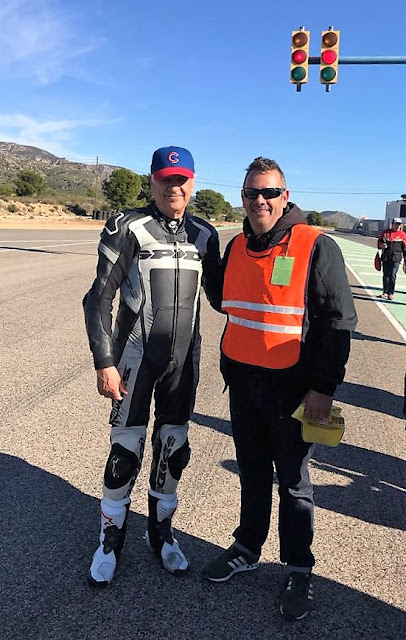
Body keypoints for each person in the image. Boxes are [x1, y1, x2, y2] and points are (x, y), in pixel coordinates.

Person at [203, 157, 358, 621]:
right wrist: (207, 256)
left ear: (285, 196)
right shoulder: (237, 245)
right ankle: (247, 547)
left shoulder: (315, 245)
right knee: (252, 472)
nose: (260, 201)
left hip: (293, 389)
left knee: (293, 484)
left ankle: (298, 568)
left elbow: (339, 321)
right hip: (243, 384)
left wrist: (323, 388)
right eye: (252, 193)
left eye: (269, 192)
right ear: (242, 198)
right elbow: (223, 298)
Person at [83, 146, 221, 586]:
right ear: (153, 181)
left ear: (192, 183)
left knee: (174, 448)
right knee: (126, 452)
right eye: (165, 179)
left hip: (184, 360)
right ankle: (110, 539)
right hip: (134, 359)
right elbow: (98, 297)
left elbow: (223, 297)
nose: (173, 187)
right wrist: (104, 362)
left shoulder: (206, 234)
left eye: (181, 180)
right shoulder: (127, 226)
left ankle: (162, 534)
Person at [377, 217, 406, 300]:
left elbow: (405, 249)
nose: (397, 226)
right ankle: (385, 292)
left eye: (399, 224)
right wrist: (381, 245)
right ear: (392, 224)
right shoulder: (385, 233)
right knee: (386, 275)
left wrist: (405, 260)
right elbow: (379, 243)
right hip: (386, 257)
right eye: (396, 224)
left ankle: (391, 293)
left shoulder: (403, 235)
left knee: (392, 275)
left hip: (396, 258)